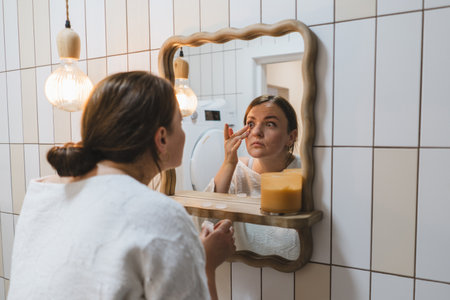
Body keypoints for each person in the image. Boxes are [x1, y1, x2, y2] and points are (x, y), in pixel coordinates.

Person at [7, 71, 235, 300]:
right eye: (181, 122)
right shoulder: (161, 214)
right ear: (162, 138)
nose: (184, 133)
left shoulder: (43, 192)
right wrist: (206, 264)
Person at [205, 95, 301, 259]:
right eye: (250, 124)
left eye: (270, 124)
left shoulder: (303, 172)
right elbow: (206, 223)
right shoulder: (238, 170)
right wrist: (229, 161)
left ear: (291, 137)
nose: (256, 132)